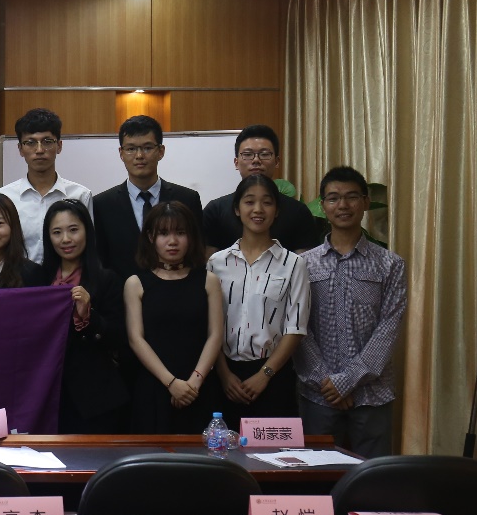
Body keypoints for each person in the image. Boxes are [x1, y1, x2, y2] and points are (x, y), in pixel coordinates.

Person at [294, 166, 407, 458]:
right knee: (317, 476)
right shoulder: (303, 264)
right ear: (323, 206)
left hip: (372, 396)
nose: (342, 205)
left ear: (365, 202)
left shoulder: (390, 264)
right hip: (319, 394)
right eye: (333, 198)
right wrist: (326, 381)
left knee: (373, 478)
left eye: (351, 197)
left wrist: (347, 381)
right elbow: (298, 327)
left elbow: (389, 327)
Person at [207, 174, 310, 421]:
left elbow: (295, 328)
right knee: (223, 444)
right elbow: (210, 326)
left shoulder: (293, 264)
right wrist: (224, 374)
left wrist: (264, 375)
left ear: (277, 211)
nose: (258, 209)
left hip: (274, 377)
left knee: (271, 445)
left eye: (267, 202)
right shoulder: (216, 263)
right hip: (224, 377)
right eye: (249, 201)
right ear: (237, 209)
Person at [124, 201, 224, 434]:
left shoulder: (208, 280)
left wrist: (194, 382)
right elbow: (136, 339)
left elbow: (215, 335)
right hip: (154, 387)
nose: (172, 241)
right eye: (163, 233)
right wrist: (171, 383)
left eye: (180, 233)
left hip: (200, 386)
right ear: (151, 237)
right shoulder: (136, 283)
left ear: (191, 236)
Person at [40, 199, 128, 433]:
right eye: (57, 232)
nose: (66, 239)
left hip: (94, 398)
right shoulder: (37, 278)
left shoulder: (106, 279)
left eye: (73, 230)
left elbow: (119, 337)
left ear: (87, 232)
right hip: (46, 394)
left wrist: (89, 316)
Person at [93, 115, 204, 280]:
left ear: (161, 151)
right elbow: (101, 260)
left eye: (147, 148)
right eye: (131, 149)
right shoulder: (102, 204)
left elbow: (196, 253)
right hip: (120, 293)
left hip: (176, 290)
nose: (139, 155)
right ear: (121, 153)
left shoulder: (187, 199)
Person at [202, 124, 322, 256]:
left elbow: (305, 263)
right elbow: (207, 263)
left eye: (264, 154)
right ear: (236, 162)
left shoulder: (298, 212)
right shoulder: (215, 210)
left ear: (277, 161)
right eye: (248, 154)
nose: (256, 160)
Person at [0, 108, 93, 263]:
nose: (39, 150)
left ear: (59, 146)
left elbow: (90, 248)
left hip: (67, 277)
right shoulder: (5, 197)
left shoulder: (80, 195)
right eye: (30, 143)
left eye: (47, 142)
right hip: (19, 277)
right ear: (20, 149)